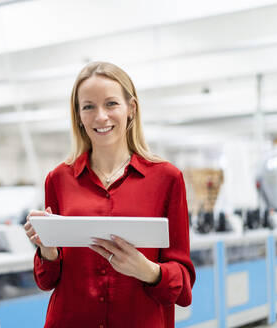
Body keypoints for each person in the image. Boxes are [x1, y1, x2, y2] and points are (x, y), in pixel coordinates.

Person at [23, 61, 196, 328]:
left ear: (131, 109)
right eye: (89, 106)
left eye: (111, 104)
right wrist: (47, 250)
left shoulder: (167, 178)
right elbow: (47, 281)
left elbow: (183, 286)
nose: (100, 116)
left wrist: (147, 270)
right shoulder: (58, 179)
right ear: (78, 115)